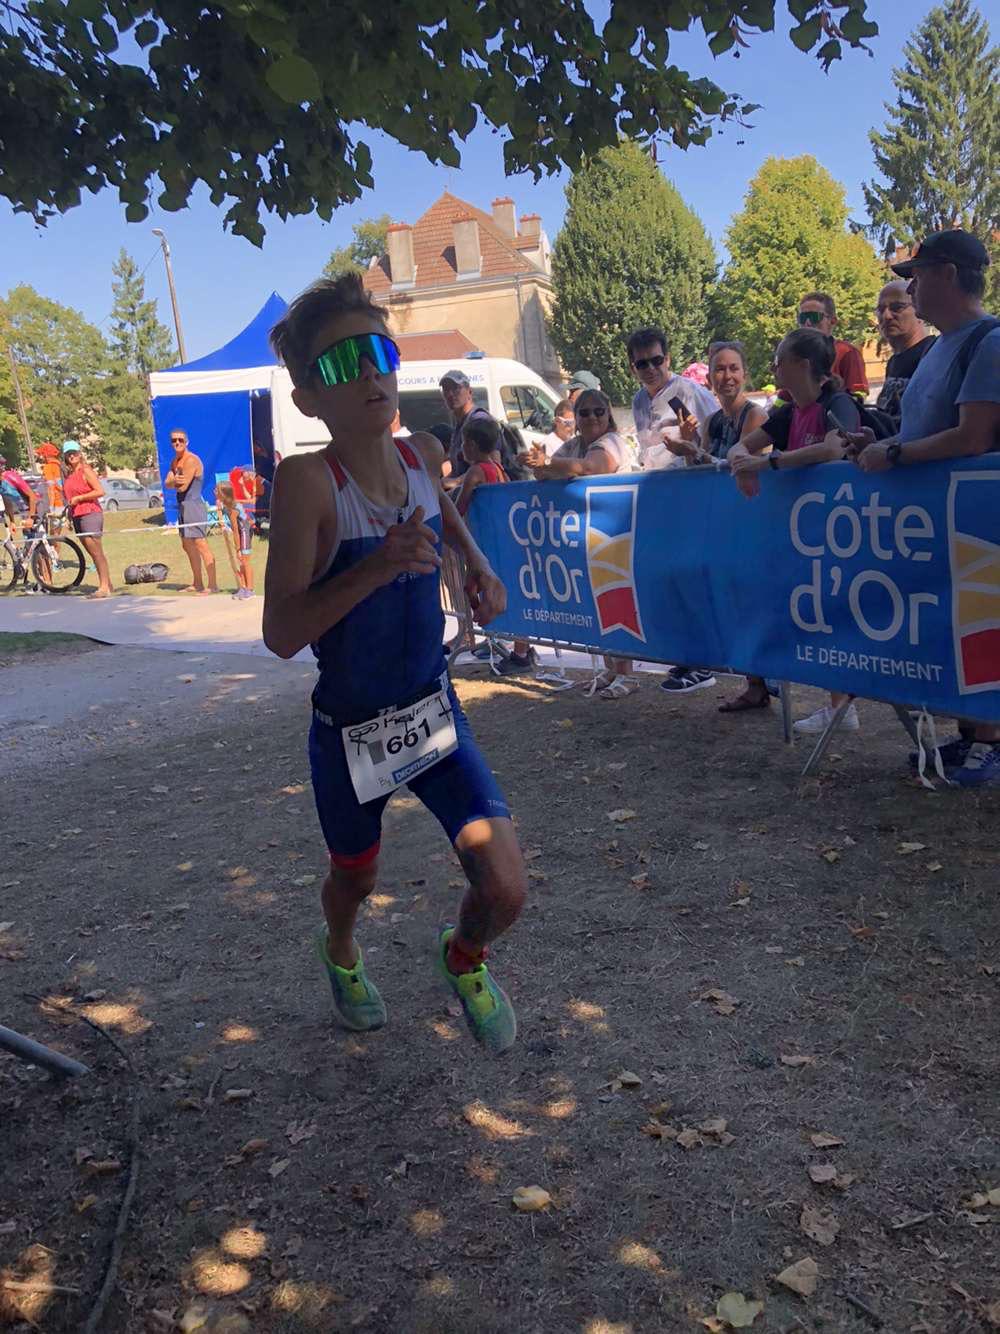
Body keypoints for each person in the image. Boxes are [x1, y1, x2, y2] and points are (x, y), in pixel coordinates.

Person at [263, 273, 525, 1053]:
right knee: (357, 878)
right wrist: (376, 567)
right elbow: (281, 633)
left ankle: (463, 957)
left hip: (431, 709)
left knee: (506, 888)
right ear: (309, 396)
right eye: (342, 363)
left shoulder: (424, 452)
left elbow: (437, 508)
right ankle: (341, 951)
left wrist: (477, 562)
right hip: (350, 730)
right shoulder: (308, 482)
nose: (371, 374)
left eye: (379, 352)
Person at [847, 229, 1000, 787]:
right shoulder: (940, 348)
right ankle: (971, 734)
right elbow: (921, 429)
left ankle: (990, 741)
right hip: (932, 521)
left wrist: (895, 454)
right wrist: (882, 443)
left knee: (979, 619)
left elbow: (973, 437)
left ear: (949, 275)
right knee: (950, 625)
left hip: (975, 524)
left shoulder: (990, 341)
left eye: (917, 276)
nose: (910, 290)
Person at [728, 329, 860, 735]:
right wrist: (742, 465)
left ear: (802, 365)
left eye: (779, 361)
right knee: (816, 614)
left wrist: (767, 463)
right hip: (804, 532)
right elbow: (740, 447)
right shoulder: (788, 411)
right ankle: (837, 704)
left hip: (845, 528)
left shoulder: (837, 402)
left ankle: (844, 705)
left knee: (837, 614)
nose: (773, 369)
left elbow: (835, 448)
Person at [661, 341, 772, 705]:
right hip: (721, 523)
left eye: (733, 368)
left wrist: (694, 450)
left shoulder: (755, 416)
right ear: (709, 378)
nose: (727, 376)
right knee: (730, 601)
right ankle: (754, 685)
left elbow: (739, 466)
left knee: (751, 603)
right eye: (720, 369)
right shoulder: (712, 421)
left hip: (749, 521)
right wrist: (690, 446)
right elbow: (704, 471)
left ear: (745, 373)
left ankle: (763, 680)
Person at [523, 389, 638, 699]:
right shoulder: (573, 445)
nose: (591, 417)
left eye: (598, 411)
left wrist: (549, 463)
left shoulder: (612, 442)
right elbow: (544, 473)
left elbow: (590, 467)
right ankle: (610, 668)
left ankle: (627, 674)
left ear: (608, 414)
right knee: (594, 601)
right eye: (584, 412)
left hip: (615, 530)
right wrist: (538, 462)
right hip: (586, 533)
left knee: (616, 599)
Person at [456, 417, 537, 676]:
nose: (461, 448)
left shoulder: (477, 471)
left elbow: (459, 507)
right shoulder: (498, 468)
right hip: (501, 541)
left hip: (490, 545)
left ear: (470, 444)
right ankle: (502, 639)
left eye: (462, 443)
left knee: (493, 592)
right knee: (488, 590)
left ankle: (518, 651)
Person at [627, 327, 718, 469]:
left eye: (657, 360)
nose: (650, 368)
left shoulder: (691, 393)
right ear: (633, 369)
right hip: (653, 479)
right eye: (642, 364)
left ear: (667, 360)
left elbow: (717, 445)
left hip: (691, 477)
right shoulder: (638, 401)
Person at [874, 280, 936, 428]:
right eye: (881, 309)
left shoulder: (933, 353)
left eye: (897, 307)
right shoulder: (894, 362)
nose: (887, 316)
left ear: (918, 310)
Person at [164, 429, 218, 595]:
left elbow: (182, 486)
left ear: (186, 442)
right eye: (174, 440)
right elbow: (167, 483)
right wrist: (173, 481)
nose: (177, 443)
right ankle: (197, 583)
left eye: (180, 440)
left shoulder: (191, 460)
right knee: (187, 545)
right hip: (182, 505)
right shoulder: (175, 461)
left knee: (200, 543)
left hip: (193, 505)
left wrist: (173, 481)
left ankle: (213, 585)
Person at [62, 441, 113, 598]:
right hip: (77, 515)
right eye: (68, 453)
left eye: (74, 452)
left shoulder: (86, 470)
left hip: (90, 513)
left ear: (79, 453)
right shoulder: (69, 475)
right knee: (92, 552)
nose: (72, 456)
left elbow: (100, 491)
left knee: (96, 551)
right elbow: (70, 498)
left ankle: (104, 587)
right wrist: (69, 516)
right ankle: (107, 583)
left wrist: (80, 498)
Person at [797, 293, 868, 397]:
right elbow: (785, 396)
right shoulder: (794, 354)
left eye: (814, 317)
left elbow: (858, 395)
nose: (807, 323)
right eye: (803, 318)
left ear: (833, 321)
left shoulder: (846, 352)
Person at [439, 369, 486, 488]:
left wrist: (456, 482)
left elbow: (492, 464)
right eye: (446, 389)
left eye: (456, 388)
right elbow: (457, 470)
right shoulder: (459, 426)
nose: (450, 394)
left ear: (469, 391)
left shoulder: (479, 421)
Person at [227, 464, 260, 600]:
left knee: (245, 559)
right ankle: (244, 587)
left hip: (247, 523)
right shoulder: (244, 484)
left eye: (244, 473)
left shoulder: (256, 483)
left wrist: (236, 501)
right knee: (241, 559)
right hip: (242, 523)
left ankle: (250, 589)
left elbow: (252, 501)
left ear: (249, 472)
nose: (242, 475)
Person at [0, 455, 38, 540]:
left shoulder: (10, 477)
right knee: (29, 543)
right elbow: (7, 502)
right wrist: (12, 522)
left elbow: (32, 496)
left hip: (36, 509)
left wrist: (31, 518)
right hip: (24, 513)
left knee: (39, 542)